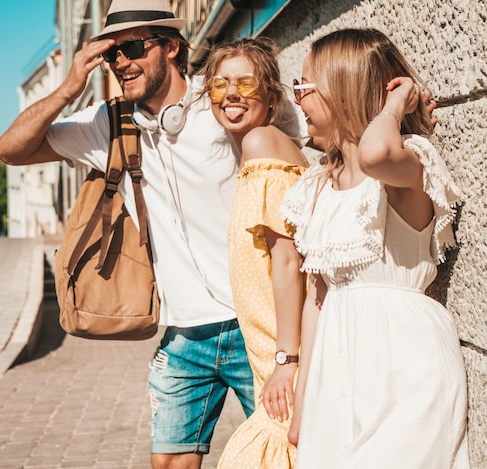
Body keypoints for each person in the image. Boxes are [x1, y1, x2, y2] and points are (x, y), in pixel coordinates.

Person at [0, 1, 267, 467]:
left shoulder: (223, 100)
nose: (121, 62)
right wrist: (67, 89)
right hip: (182, 333)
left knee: (285, 452)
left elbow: (315, 125)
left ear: (172, 47)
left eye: (133, 47)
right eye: (111, 54)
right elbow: (9, 150)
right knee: (169, 462)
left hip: (257, 324)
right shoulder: (109, 123)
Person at [281, 28, 471, 468]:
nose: (297, 100)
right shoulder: (318, 187)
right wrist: (304, 400)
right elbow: (317, 299)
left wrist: (391, 107)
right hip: (337, 373)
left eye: (305, 87)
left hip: (404, 367)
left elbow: (373, 155)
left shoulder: (407, 161)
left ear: (343, 90)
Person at [199, 38, 307, 468]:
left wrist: (287, 359)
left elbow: (287, 259)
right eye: (220, 84)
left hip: (282, 349)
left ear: (272, 96)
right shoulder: (260, 146)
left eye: (246, 82)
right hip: (268, 345)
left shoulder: (262, 142)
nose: (231, 93)